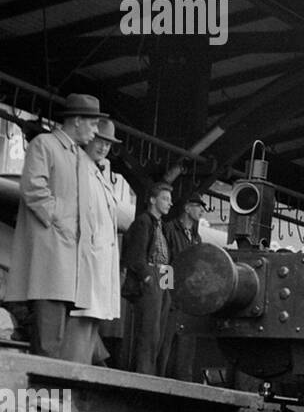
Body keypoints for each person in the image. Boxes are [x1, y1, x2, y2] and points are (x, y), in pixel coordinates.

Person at [2, 93, 106, 361]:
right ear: (78, 121)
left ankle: (45, 397)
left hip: (68, 261)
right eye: (93, 125)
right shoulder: (44, 145)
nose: (95, 132)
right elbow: (33, 189)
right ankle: (44, 398)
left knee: (55, 340)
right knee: (49, 341)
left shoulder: (79, 157)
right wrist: (63, 220)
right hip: (52, 257)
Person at [73, 117, 125, 366]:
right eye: (100, 141)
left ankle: (80, 373)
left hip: (101, 261)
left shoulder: (100, 172)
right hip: (86, 258)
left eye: (108, 144)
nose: (104, 148)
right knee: (81, 318)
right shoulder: (80, 167)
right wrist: (152, 279)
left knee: (91, 318)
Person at [121, 181, 175, 376]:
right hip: (152, 275)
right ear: (152, 200)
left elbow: (167, 257)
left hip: (163, 276)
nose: (170, 203)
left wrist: (168, 287)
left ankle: (152, 373)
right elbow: (136, 256)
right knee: (149, 331)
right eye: (165, 198)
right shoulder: (144, 221)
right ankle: (143, 374)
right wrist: (147, 279)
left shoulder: (162, 226)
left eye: (170, 199)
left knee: (159, 331)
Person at [161, 191, 206, 380]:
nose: (202, 211)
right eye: (199, 206)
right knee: (166, 341)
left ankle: (182, 381)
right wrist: (167, 291)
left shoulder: (197, 238)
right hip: (172, 296)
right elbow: (165, 261)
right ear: (187, 208)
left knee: (186, 343)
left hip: (188, 298)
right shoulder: (169, 230)